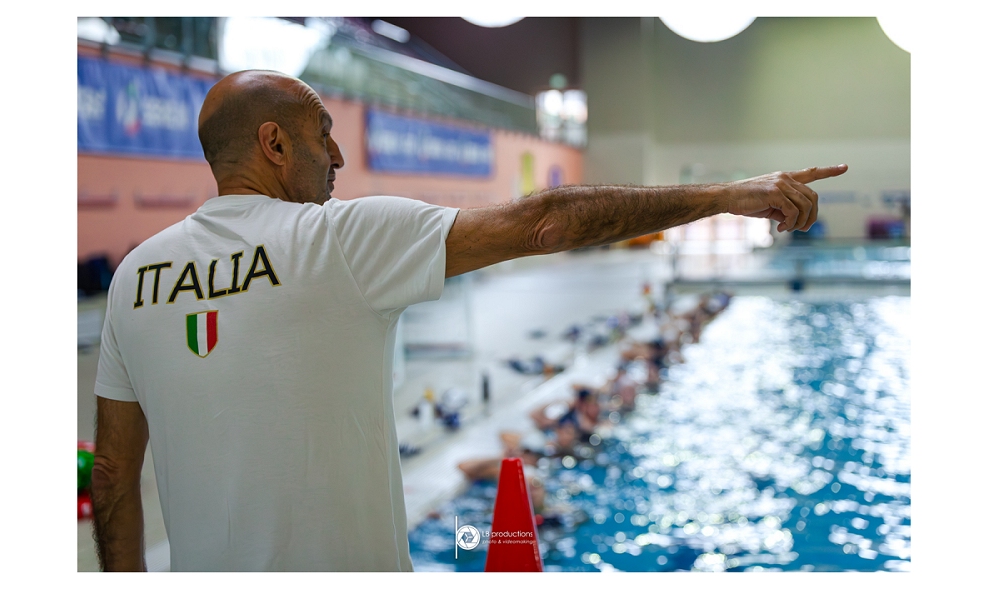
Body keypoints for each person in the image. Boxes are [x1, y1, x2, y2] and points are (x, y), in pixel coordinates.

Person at [91, 69, 847, 572]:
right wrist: (726, 195)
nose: (340, 157)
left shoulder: (135, 276)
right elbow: (548, 222)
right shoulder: (335, 239)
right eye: (324, 134)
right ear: (274, 143)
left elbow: (117, 475)